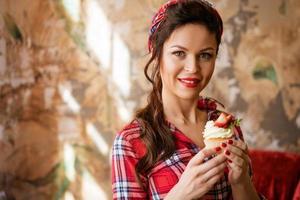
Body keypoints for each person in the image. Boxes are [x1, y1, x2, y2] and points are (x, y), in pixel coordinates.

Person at [112, 0, 262, 199]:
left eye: (205, 55)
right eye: (179, 53)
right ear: (157, 56)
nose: (193, 68)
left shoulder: (226, 125)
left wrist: (240, 181)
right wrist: (180, 195)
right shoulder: (130, 143)